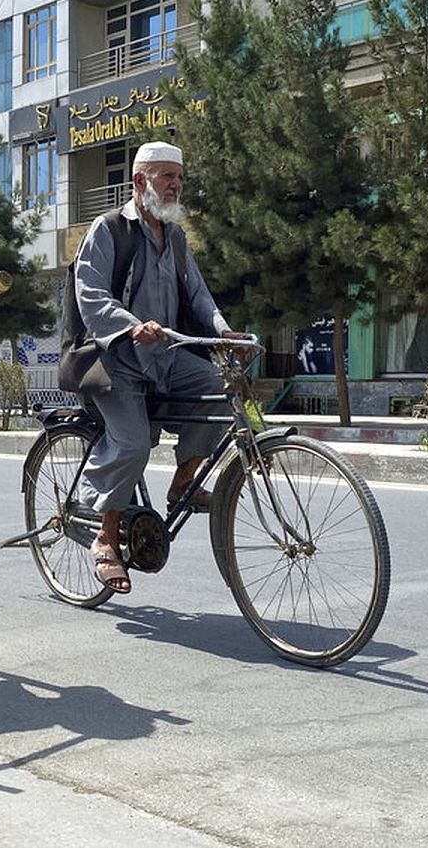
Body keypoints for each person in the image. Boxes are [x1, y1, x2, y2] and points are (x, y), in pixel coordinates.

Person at [73, 141, 249, 594]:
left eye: (179, 177)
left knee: (219, 392)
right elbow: (90, 293)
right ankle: (105, 538)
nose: (174, 185)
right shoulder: (109, 229)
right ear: (138, 181)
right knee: (132, 446)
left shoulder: (174, 236)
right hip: (117, 360)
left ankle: (182, 482)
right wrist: (131, 327)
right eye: (165, 176)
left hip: (166, 356)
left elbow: (198, 294)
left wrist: (223, 330)